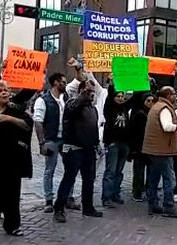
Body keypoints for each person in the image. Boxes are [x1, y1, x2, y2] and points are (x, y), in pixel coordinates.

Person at [0, 80, 33, 243]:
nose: (4, 93)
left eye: (6, 90)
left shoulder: (15, 110)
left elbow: (27, 125)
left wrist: (9, 119)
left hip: (12, 160)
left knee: (12, 195)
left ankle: (12, 226)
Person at [53, 80, 103, 223]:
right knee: (69, 179)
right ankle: (59, 209)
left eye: (92, 92)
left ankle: (88, 207)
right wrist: (81, 96)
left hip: (88, 150)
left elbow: (93, 128)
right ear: (81, 91)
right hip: (74, 149)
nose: (91, 95)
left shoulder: (92, 109)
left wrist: (96, 145)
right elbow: (72, 109)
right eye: (87, 91)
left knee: (89, 180)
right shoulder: (72, 104)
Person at [142, 86, 177, 218]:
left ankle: (153, 204)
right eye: (174, 94)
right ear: (168, 95)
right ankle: (168, 206)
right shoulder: (164, 108)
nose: (175, 96)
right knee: (169, 178)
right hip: (162, 150)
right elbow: (167, 127)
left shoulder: (156, 106)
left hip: (154, 149)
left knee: (153, 178)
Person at [33, 73, 80, 213]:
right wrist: (42, 142)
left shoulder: (66, 98)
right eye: (63, 82)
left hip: (65, 139)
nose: (65, 85)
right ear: (56, 83)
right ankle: (48, 200)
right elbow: (38, 121)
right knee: (49, 170)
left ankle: (68, 197)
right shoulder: (43, 100)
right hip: (51, 139)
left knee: (70, 169)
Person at [101, 80, 134, 208]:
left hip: (124, 144)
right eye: (118, 96)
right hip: (113, 143)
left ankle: (115, 194)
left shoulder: (125, 107)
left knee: (119, 171)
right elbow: (109, 96)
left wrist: (145, 82)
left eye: (122, 96)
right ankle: (106, 197)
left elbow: (135, 98)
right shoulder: (109, 108)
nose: (120, 99)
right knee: (111, 171)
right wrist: (112, 82)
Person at [128, 92, 154, 202]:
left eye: (152, 101)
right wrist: (133, 149)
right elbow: (134, 133)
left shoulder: (153, 114)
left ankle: (147, 189)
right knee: (139, 170)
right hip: (140, 147)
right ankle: (137, 191)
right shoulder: (139, 114)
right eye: (148, 101)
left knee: (150, 170)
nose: (150, 103)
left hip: (150, 146)